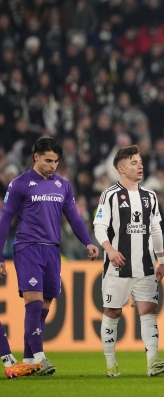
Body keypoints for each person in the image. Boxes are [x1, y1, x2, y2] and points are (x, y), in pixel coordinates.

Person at [0, 137, 99, 376]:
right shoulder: (19, 184)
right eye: (48, 160)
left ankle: (28, 359)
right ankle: (41, 357)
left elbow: (74, 218)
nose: (52, 165)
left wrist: (88, 242)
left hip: (53, 250)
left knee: (43, 307)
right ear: (36, 157)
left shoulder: (63, 186)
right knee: (33, 303)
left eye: (55, 161)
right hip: (28, 248)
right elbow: (5, 219)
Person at [93, 145, 164, 377]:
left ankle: (153, 362)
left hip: (146, 266)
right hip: (118, 266)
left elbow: (155, 228)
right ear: (121, 168)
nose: (140, 165)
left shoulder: (149, 196)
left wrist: (161, 259)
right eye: (133, 162)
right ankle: (111, 364)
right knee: (112, 312)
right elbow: (99, 226)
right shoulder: (109, 195)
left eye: (140, 161)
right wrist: (109, 249)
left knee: (149, 309)